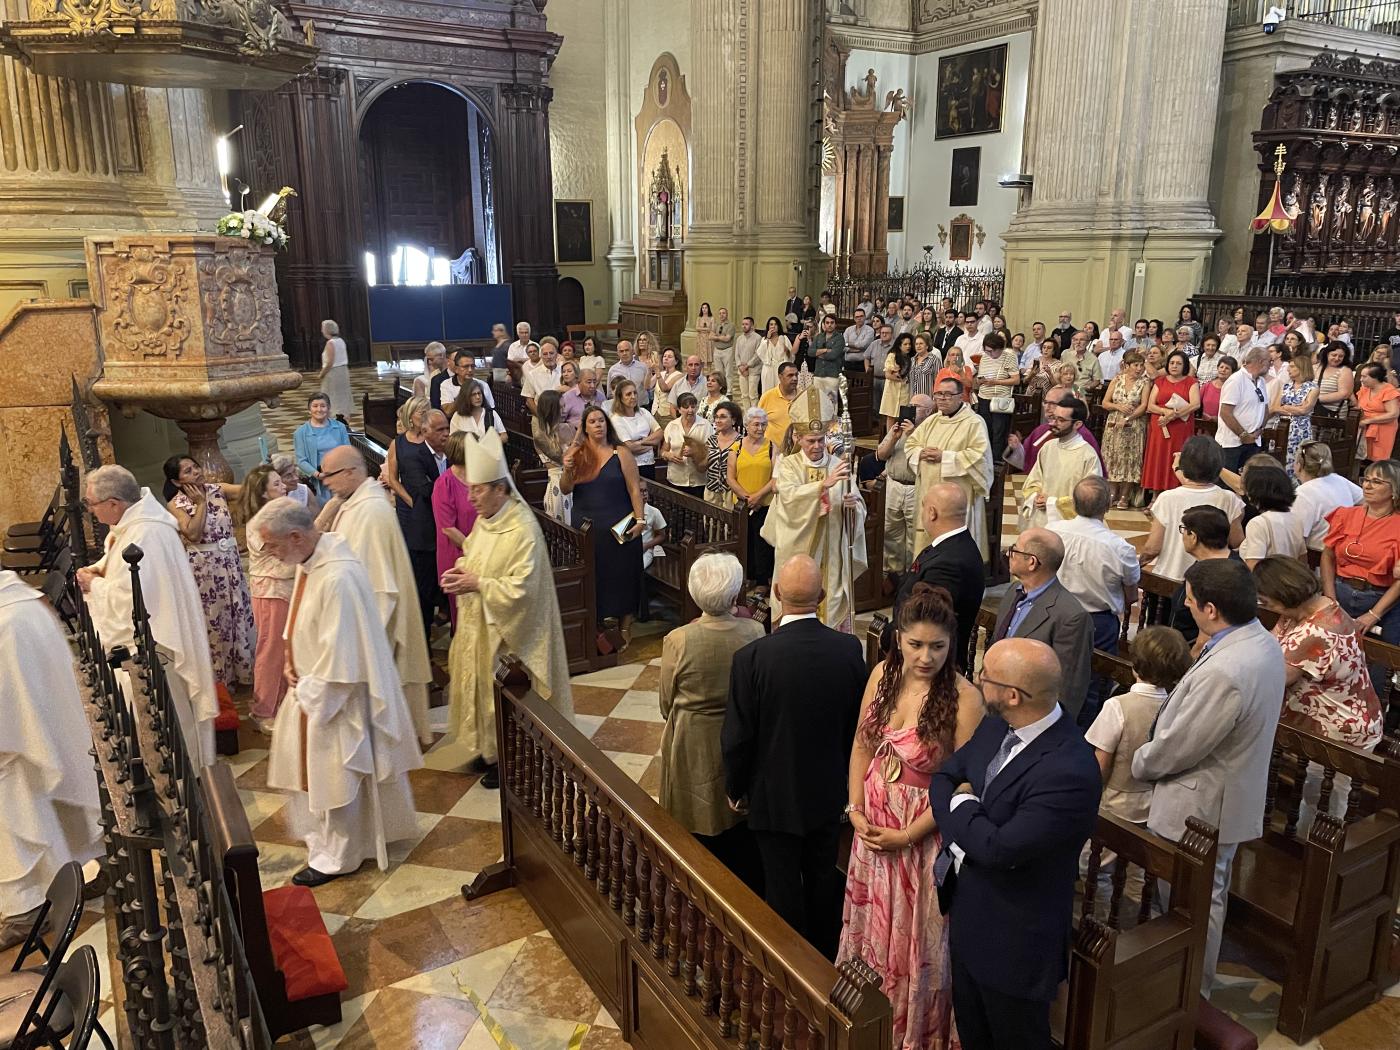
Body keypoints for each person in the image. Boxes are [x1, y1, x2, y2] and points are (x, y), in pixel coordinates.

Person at [929, 637, 1102, 1050]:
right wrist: (969, 823)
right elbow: (944, 778)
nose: (977, 680)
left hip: (1014, 942)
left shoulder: (1069, 770)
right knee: (972, 1033)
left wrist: (964, 803)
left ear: (1012, 695)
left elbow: (1000, 849)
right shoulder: (997, 724)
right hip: (968, 916)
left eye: (985, 676)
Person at [839, 584, 983, 1050]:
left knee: (913, 941)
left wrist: (907, 834)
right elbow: (862, 745)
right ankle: (867, 1022)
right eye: (916, 644)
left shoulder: (964, 698)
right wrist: (855, 808)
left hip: (921, 838)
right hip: (872, 830)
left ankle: (910, 1033)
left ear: (951, 644)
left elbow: (964, 788)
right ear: (898, 637)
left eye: (937, 646)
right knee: (872, 928)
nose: (926, 657)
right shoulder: (883, 674)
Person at [1133, 558, 1285, 996]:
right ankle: (1181, 987)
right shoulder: (1260, 640)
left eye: (1191, 600)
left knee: (1192, 902)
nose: (1187, 606)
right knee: (1201, 895)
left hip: (1202, 804)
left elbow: (1183, 744)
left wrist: (1141, 762)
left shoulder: (1227, 670)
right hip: (1225, 795)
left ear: (1212, 609)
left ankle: (1186, 994)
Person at [251, 499, 421, 887]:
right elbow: (302, 622)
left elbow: (343, 656)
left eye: (273, 545)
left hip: (335, 697)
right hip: (312, 686)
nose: (271, 554)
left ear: (296, 536)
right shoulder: (313, 561)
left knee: (337, 775)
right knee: (323, 774)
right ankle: (334, 842)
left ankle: (339, 857)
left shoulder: (337, 576)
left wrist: (312, 693)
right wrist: (291, 659)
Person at [722, 555, 866, 958]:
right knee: (823, 879)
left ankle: (786, 964)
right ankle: (824, 960)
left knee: (781, 886)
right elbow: (858, 726)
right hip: (828, 792)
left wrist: (735, 787)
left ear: (777, 593)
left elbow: (738, 737)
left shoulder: (752, 658)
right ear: (821, 597)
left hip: (773, 797)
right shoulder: (847, 650)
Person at [437, 431, 573, 787]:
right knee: (480, 692)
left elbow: (523, 589)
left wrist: (478, 584)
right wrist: (462, 570)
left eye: (477, 490)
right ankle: (488, 748)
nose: (471, 498)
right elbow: (476, 554)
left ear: (500, 489)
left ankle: (512, 758)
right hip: (481, 629)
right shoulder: (487, 520)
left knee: (501, 695)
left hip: (510, 639)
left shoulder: (523, 529)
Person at [76, 465, 218, 766]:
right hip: (154, 642)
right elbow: (122, 566)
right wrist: (99, 569)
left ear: (114, 503)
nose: (90, 510)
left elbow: (136, 599)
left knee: (171, 717)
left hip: (159, 646)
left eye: (92, 503)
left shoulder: (146, 533)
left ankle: (183, 773)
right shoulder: (135, 526)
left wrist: (94, 585)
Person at [0, 568, 103, 948]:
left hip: (19, 748)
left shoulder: (8, 622)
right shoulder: (24, 603)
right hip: (41, 734)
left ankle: (26, 905)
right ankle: (71, 872)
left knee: (22, 811)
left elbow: (9, 712)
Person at [315, 445, 434, 748]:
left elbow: (380, 588)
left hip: (378, 630)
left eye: (329, 475)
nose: (325, 482)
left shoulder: (371, 512)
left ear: (350, 472)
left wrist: (363, 640)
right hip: (359, 622)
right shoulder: (353, 503)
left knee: (386, 726)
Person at [658, 553, 766, 880]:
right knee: (735, 820)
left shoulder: (679, 639)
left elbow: (666, 701)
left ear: (694, 594)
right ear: (735, 594)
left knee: (693, 808)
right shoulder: (754, 631)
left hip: (691, 736)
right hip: (741, 730)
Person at [762, 418, 868, 629]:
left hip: (832, 553)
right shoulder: (789, 465)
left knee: (831, 602)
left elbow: (858, 506)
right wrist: (822, 486)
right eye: (811, 441)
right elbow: (788, 499)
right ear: (799, 439)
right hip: (797, 549)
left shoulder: (838, 466)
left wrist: (852, 507)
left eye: (821, 440)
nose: (817, 446)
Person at [162, 454, 254, 688]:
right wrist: (201, 503)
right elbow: (193, 533)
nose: (196, 472)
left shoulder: (218, 489)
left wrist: (269, 479)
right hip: (205, 569)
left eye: (196, 467)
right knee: (215, 620)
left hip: (230, 564)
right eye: (188, 471)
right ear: (176, 481)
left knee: (237, 613)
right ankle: (220, 682)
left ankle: (243, 671)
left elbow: (249, 490)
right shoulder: (175, 504)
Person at [1085, 626, 1191, 826]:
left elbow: (1101, 763)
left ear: (1135, 665)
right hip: (1155, 804)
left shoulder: (1118, 706)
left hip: (1115, 804)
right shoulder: (1178, 708)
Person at [562, 405, 647, 645]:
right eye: (592, 422)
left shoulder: (621, 452)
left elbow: (634, 488)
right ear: (584, 428)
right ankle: (597, 624)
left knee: (624, 573)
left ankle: (625, 626)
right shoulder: (578, 453)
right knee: (595, 575)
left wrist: (640, 520)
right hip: (588, 526)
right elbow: (566, 488)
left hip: (620, 523)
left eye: (601, 420)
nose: (598, 425)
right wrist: (567, 469)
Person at [991, 528, 1093, 722]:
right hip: (995, 705)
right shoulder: (1014, 591)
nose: (1008, 554)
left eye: (1014, 549)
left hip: (1028, 717)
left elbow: (1069, 688)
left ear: (1032, 562)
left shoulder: (1071, 616)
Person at [1322, 458, 1400, 694]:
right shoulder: (1346, 515)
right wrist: (1330, 598)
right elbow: (1328, 555)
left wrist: (1374, 614)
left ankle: (1373, 703)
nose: (1367, 485)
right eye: (1366, 479)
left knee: (1377, 665)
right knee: (1330, 654)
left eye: (1377, 481)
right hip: (1341, 590)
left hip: (1380, 598)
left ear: (1394, 490)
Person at [1048, 477, 1140, 670]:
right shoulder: (1120, 548)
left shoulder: (1052, 531)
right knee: (1095, 676)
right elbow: (1131, 596)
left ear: (1074, 504)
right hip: (1098, 622)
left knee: (1052, 668)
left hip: (1053, 612)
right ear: (1107, 505)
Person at [895, 483, 985, 673]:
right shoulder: (952, 546)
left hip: (932, 670)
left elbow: (925, 622)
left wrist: (887, 637)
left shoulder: (949, 564)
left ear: (932, 513)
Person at [234, 464, 295, 730]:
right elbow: (287, 550)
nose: (284, 487)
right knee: (271, 651)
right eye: (277, 484)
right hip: (271, 592)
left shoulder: (278, 514)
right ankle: (262, 710)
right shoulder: (260, 523)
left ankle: (284, 703)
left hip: (285, 588)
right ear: (263, 494)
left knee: (287, 649)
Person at [905, 377, 993, 559]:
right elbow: (911, 444)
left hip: (958, 499)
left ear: (960, 396)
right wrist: (920, 453)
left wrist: (944, 457)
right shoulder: (931, 421)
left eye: (947, 394)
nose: (942, 399)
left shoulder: (974, 423)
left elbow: (979, 457)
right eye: (938, 394)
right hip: (929, 493)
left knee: (954, 551)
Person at [1140, 436, 1245, 582]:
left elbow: (1153, 548)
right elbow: (1238, 542)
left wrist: (1137, 564)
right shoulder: (1229, 498)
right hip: (1212, 579)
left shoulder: (1167, 498)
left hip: (1169, 577)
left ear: (1185, 464)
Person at [394, 407, 449, 640]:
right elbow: (425, 491)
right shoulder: (413, 457)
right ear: (425, 432)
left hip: (449, 530)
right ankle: (423, 643)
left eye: (447, 428)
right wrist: (454, 483)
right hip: (426, 534)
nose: (446, 434)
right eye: (440, 430)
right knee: (424, 592)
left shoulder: (452, 451)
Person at [1019, 397, 1103, 529]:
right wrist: (1035, 496)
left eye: (1061, 420)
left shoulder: (1088, 455)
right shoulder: (1048, 447)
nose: (1053, 423)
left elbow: (1090, 497)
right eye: (1054, 418)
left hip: (1070, 527)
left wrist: (1053, 503)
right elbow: (1033, 480)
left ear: (1077, 424)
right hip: (1041, 520)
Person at [873, 394, 933, 574]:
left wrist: (912, 434)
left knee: (915, 535)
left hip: (916, 487)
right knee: (891, 533)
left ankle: (913, 574)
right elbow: (880, 455)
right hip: (894, 485)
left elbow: (928, 458)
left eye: (917, 406)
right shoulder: (897, 428)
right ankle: (893, 575)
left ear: (929, 411)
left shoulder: (931, 430)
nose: (912, 409)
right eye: (910, 405)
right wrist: (893, 437)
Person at [431, 432, 479, 629]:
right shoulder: (444, 484)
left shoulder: (479, 477)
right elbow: (448, 529)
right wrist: (475, 550)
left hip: (480, 552)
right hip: (458, 555)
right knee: (463, 619)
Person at [728, 406, 778, 586]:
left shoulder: (772, 447)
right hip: (742, 504)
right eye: (756, 424)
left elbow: (775, 478)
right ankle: (746, 577)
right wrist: (747, 498)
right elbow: (730, 478)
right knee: (744, 541)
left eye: (764, 424)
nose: (760, 428)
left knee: (762, 544)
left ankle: (762, 582)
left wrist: (758, 497)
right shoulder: (736, 447)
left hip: (764, 504)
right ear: (747, 425)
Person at [1142, 349, 1201, 498]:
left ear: (1185, 366)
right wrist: (1165, 412)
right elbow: (1150, 405)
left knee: (1177, 457)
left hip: (1180, 427)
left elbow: (1195, 404)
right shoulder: (1160, 381)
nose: (1174, 366)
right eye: (1172, 363)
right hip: (1160, 425)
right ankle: (1155, 496)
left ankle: (1176, 496)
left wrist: (1174, 415)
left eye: (1179, 363)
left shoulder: (1191, 382)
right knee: (1158, 458)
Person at [1099, 350, 1151, 509]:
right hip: (1114, 424)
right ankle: (1112, 492)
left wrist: (1128, 418)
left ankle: (1125, 495)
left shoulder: (1145, 382)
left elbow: (1144, 405)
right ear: (1127, 366)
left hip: (1134, 425)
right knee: (1113, 457)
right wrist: (1118, 407)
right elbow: (1105, 403)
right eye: (1136, 365)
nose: (1139, 369)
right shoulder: (1117, 379)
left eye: (1141, 365)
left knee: (1130, 459)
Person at [1292, 441, 1361, 551]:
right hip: (1346, 547)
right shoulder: (1338, 479)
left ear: (1299, 465)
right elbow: (1366, 500)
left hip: (1317, 554)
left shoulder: (1303, 494)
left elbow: (1296, 539)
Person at [1239, 463, 1306, 567]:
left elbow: (1253, 566)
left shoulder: (1258, 523)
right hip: (1292, 574)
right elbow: (1303, 560)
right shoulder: (1296, 519)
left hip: (1269, 576)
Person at [1216, 346, 1272, 470]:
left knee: (1249, 479)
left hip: (1254, 441)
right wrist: (1243, 435)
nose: (1271, 365)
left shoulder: (1261, 381)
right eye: (1270, 362)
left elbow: (1265, 408)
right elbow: (1225, 412)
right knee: (1228, 480)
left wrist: (1260, 429)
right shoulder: (1236, 380)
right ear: (1261, 362)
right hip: (1232, 444)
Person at [294, 392, 351, 499]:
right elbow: (301, 460)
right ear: (309, 409)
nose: (319, 409)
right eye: (315, 406)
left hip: (339, 477)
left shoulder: (340, 427)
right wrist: (317, 474)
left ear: (328, 408)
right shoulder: (300, 432)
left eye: (323, 406)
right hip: (317, 481)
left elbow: (348, 452)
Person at [972, 332, 1019, 461]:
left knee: (999, 431)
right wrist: (980, 381)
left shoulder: (1009, 356)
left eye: (991, 351)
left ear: (1000, 348)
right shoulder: (984, 357)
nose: (989, 354)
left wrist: (995, 382)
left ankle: (997, 461)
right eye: (986, 350)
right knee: (985, 429)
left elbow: (1016, 380)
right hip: (984, 396)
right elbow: (979, 377)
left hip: (1001, 398)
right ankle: (985, 458)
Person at [1273, 352, 1318, 481]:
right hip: (1282, 426)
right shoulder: (1286, 386)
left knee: (1297, 460)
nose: (1288, 369)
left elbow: (1305, 410)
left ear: (1302, 368)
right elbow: (1275, 407)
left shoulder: (1313, 388)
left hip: (1300, 429)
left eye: (1292, 366)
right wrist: (1294, 409)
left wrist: (1286, 407)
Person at [532, 389, 576, 523]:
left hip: (575, 481)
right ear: (551, 410)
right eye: (560, 407)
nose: (564, 410)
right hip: (557, 484)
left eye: (564, 406)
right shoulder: (540, 436)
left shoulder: (568, 428)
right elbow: (561, 459)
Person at [606, 378, 663, 480]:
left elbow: (659, 433)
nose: (633, 397)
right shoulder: (616, 419)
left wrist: (640, 442)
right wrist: (651, 445)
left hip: (649, 463)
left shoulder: (643, 412)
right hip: (631, 466)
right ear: (620, 398)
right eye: (628, 394)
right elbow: (629, 447)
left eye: (635, 393)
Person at [661, 392, 714, 497]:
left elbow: (710, 451)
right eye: (686, 407)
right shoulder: (672, 425)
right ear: (679, 409)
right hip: (676, 479)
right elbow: (663, 450)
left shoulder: (705, 425)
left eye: (693, 407)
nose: (690, 410)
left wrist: (695, 453)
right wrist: (667, 455)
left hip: (699, 481)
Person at [1355, 362, 1400, 465]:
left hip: (1382, 430)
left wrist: (1369, 420)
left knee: (1378, 460)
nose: (1361, 379)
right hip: (1364, 428)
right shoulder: (1365, 389)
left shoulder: (1388, 391)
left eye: (1364, 376)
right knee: (1361, 457)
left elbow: (1393, 414)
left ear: (1375, 378)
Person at [704, 401, 743, 509]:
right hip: (711, 490)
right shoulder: (711, 440)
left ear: (733, 420)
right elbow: (703, 465)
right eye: (716, 417)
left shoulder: (741, 442)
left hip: (731, 492)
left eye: (723, 417)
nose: (718, 420)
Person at [757, 361, 802, 449]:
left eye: (796, 375)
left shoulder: (804, 396)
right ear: (780, 377)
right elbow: (758, 423)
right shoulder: (767, 397)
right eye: (790, 375)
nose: (795, 378)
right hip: (773, 451)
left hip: (798, 451)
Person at [318, 319, 353, 421]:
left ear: (327, 330)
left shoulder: (330, 343)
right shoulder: (341, 341)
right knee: (342, 397)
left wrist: (321, 374)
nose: (321, 331)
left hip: (333, 373)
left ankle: (334, 419)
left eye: (322, 328)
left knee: (332, 397)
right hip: (343, 371)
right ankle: (343, 418)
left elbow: (330, 362)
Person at [880, 332, 914, 431]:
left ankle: (901, 438)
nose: (908, 346)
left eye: (909, 344)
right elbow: (888, 375)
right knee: (891, 415)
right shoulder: (892, 356)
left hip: (905, 390)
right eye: (905, 344)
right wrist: (901, 378)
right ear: (899, 345)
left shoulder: (911, 358)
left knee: (903, 415)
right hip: (892, 389)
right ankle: (889, 437)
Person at [1315, 341, 1354, 417]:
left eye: (1341, 356)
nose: (1337, 358)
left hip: (1334, 414)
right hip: (1314, 411)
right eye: (1334, 355)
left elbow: (1344, 394)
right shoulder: (1315, 367)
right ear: (1327, 354)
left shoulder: (1345, 371)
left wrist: (1317, 399)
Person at [759, 317, 793, 394]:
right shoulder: (764, 339)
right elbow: (761, 353)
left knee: (780, 391)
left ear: (778, 326)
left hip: (781, 367)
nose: (773, 326)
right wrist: (767, 338)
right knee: (767, 392)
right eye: (771, 324)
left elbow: (791, 355)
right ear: (768, 327)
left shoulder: (784, 338)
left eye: (775, 324)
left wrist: (785, 348)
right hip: (768, 367)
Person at [734, 316, 763, 408]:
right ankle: (747, 414)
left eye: (746, 324)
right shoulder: (739, 338)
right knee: (744, 395)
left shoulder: (758, 338)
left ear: (752, 326)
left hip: (753, 371)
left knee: (753, 395)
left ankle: (754, 414)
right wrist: (740, 366)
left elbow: (758, 355)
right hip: (742, 371)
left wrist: (747, 366)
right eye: (743, 324)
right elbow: (736, 354)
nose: (744, 326)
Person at [712, 307, 737, 392]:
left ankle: (729, 391)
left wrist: (716, 337)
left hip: (727, 350)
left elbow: (727, 339)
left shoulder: (731, 325)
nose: (721, 315)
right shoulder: (716, 325)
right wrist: (721, 337)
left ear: (727, 314)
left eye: (723, 313)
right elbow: (710, 336)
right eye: (720, 313)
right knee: (719, 373)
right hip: (717, 350)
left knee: (728, 372)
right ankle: (721, 389)